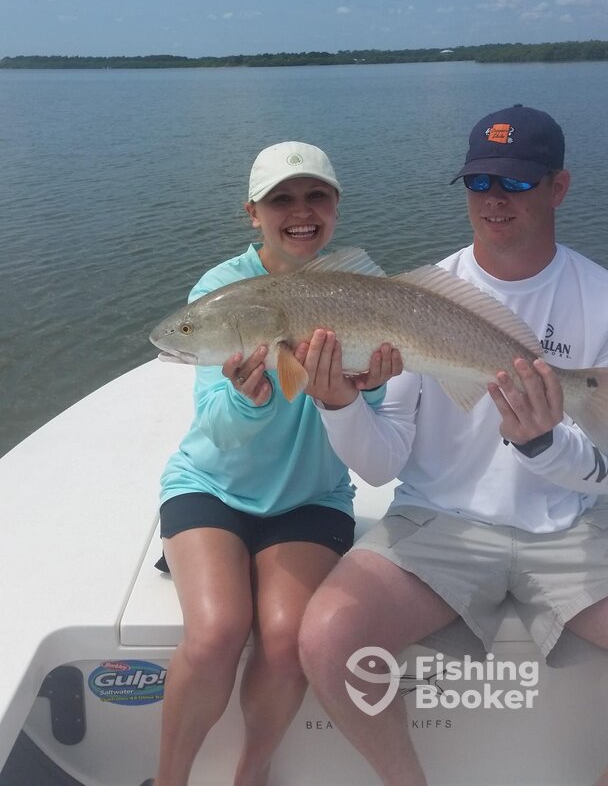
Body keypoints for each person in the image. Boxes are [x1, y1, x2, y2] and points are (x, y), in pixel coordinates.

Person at [298, 105, 608, 786]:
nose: (494, 200)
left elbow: (603, 478)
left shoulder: (600, 299)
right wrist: (339, 403)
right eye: (478, 182)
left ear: (559, 187)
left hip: (574, 528)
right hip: (439, 521)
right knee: (325, 637)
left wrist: (542, 447)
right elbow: (382, 463)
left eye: (517, 183)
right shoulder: (417, 297)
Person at [152, 141, 400, 786]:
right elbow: (217, 431)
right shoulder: (221, 292)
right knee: (215, 634)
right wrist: (248, 398)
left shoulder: (365, 288)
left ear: (336, 206)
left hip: (311, 497)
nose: (301, 212)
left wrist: (365, 388)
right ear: (252, 212)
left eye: (316, 195)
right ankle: (169, 778)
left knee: (288, 639)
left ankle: (250, 773)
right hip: (213, 487)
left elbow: (371, 419)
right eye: (281, 199)